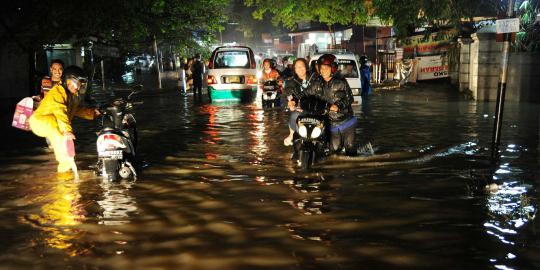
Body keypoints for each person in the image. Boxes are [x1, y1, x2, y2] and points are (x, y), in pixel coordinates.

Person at [28, 66, 100, 174]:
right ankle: (65, 182)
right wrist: (67, 130)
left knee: (67, 151)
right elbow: (60, 111)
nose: (77, 87)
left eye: (79, 84)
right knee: (64, 152)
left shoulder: (71, 95)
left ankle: (68, 174)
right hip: (40, 122)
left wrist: (92, 113)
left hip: (54, 122)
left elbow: (75, 110)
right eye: (75, 83)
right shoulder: (58, 92)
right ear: (66, 81)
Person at [304, 54, 357, 155]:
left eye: (326, 68)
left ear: (333, 68)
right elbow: (305, 95)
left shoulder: (341, 82)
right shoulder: (316, 84)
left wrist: (338, 106)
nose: (323, 71)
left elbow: (350, 98)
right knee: (334, 152)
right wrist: (297, 101)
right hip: (331, 124)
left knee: (351, 151)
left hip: (347, 121)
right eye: (321, 68)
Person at [283, 58, 316, 146]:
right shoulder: (291, 82)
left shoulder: (315, 78)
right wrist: (290, 102)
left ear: (306, 67)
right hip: (301, 109)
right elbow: (288, 94)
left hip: (317, 108)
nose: (300, 69)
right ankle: (291, 135)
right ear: (294, 69)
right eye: (297, 67)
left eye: (302, 66)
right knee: (294, 115)